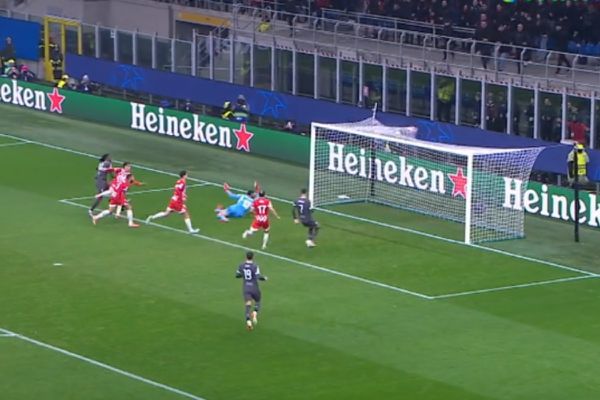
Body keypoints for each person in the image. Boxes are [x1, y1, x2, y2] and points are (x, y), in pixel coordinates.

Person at [235, 251, 267, 331]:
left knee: (248, 304)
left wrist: (244, 275)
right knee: (258, 300)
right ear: (252, 257)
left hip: (246, 288)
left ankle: (248, 321)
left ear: (246, 257)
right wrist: (264, 278)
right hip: (254, 287)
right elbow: (258, 277)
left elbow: (237, 275)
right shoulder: (255, 266)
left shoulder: (241, 265)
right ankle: (255, 313)